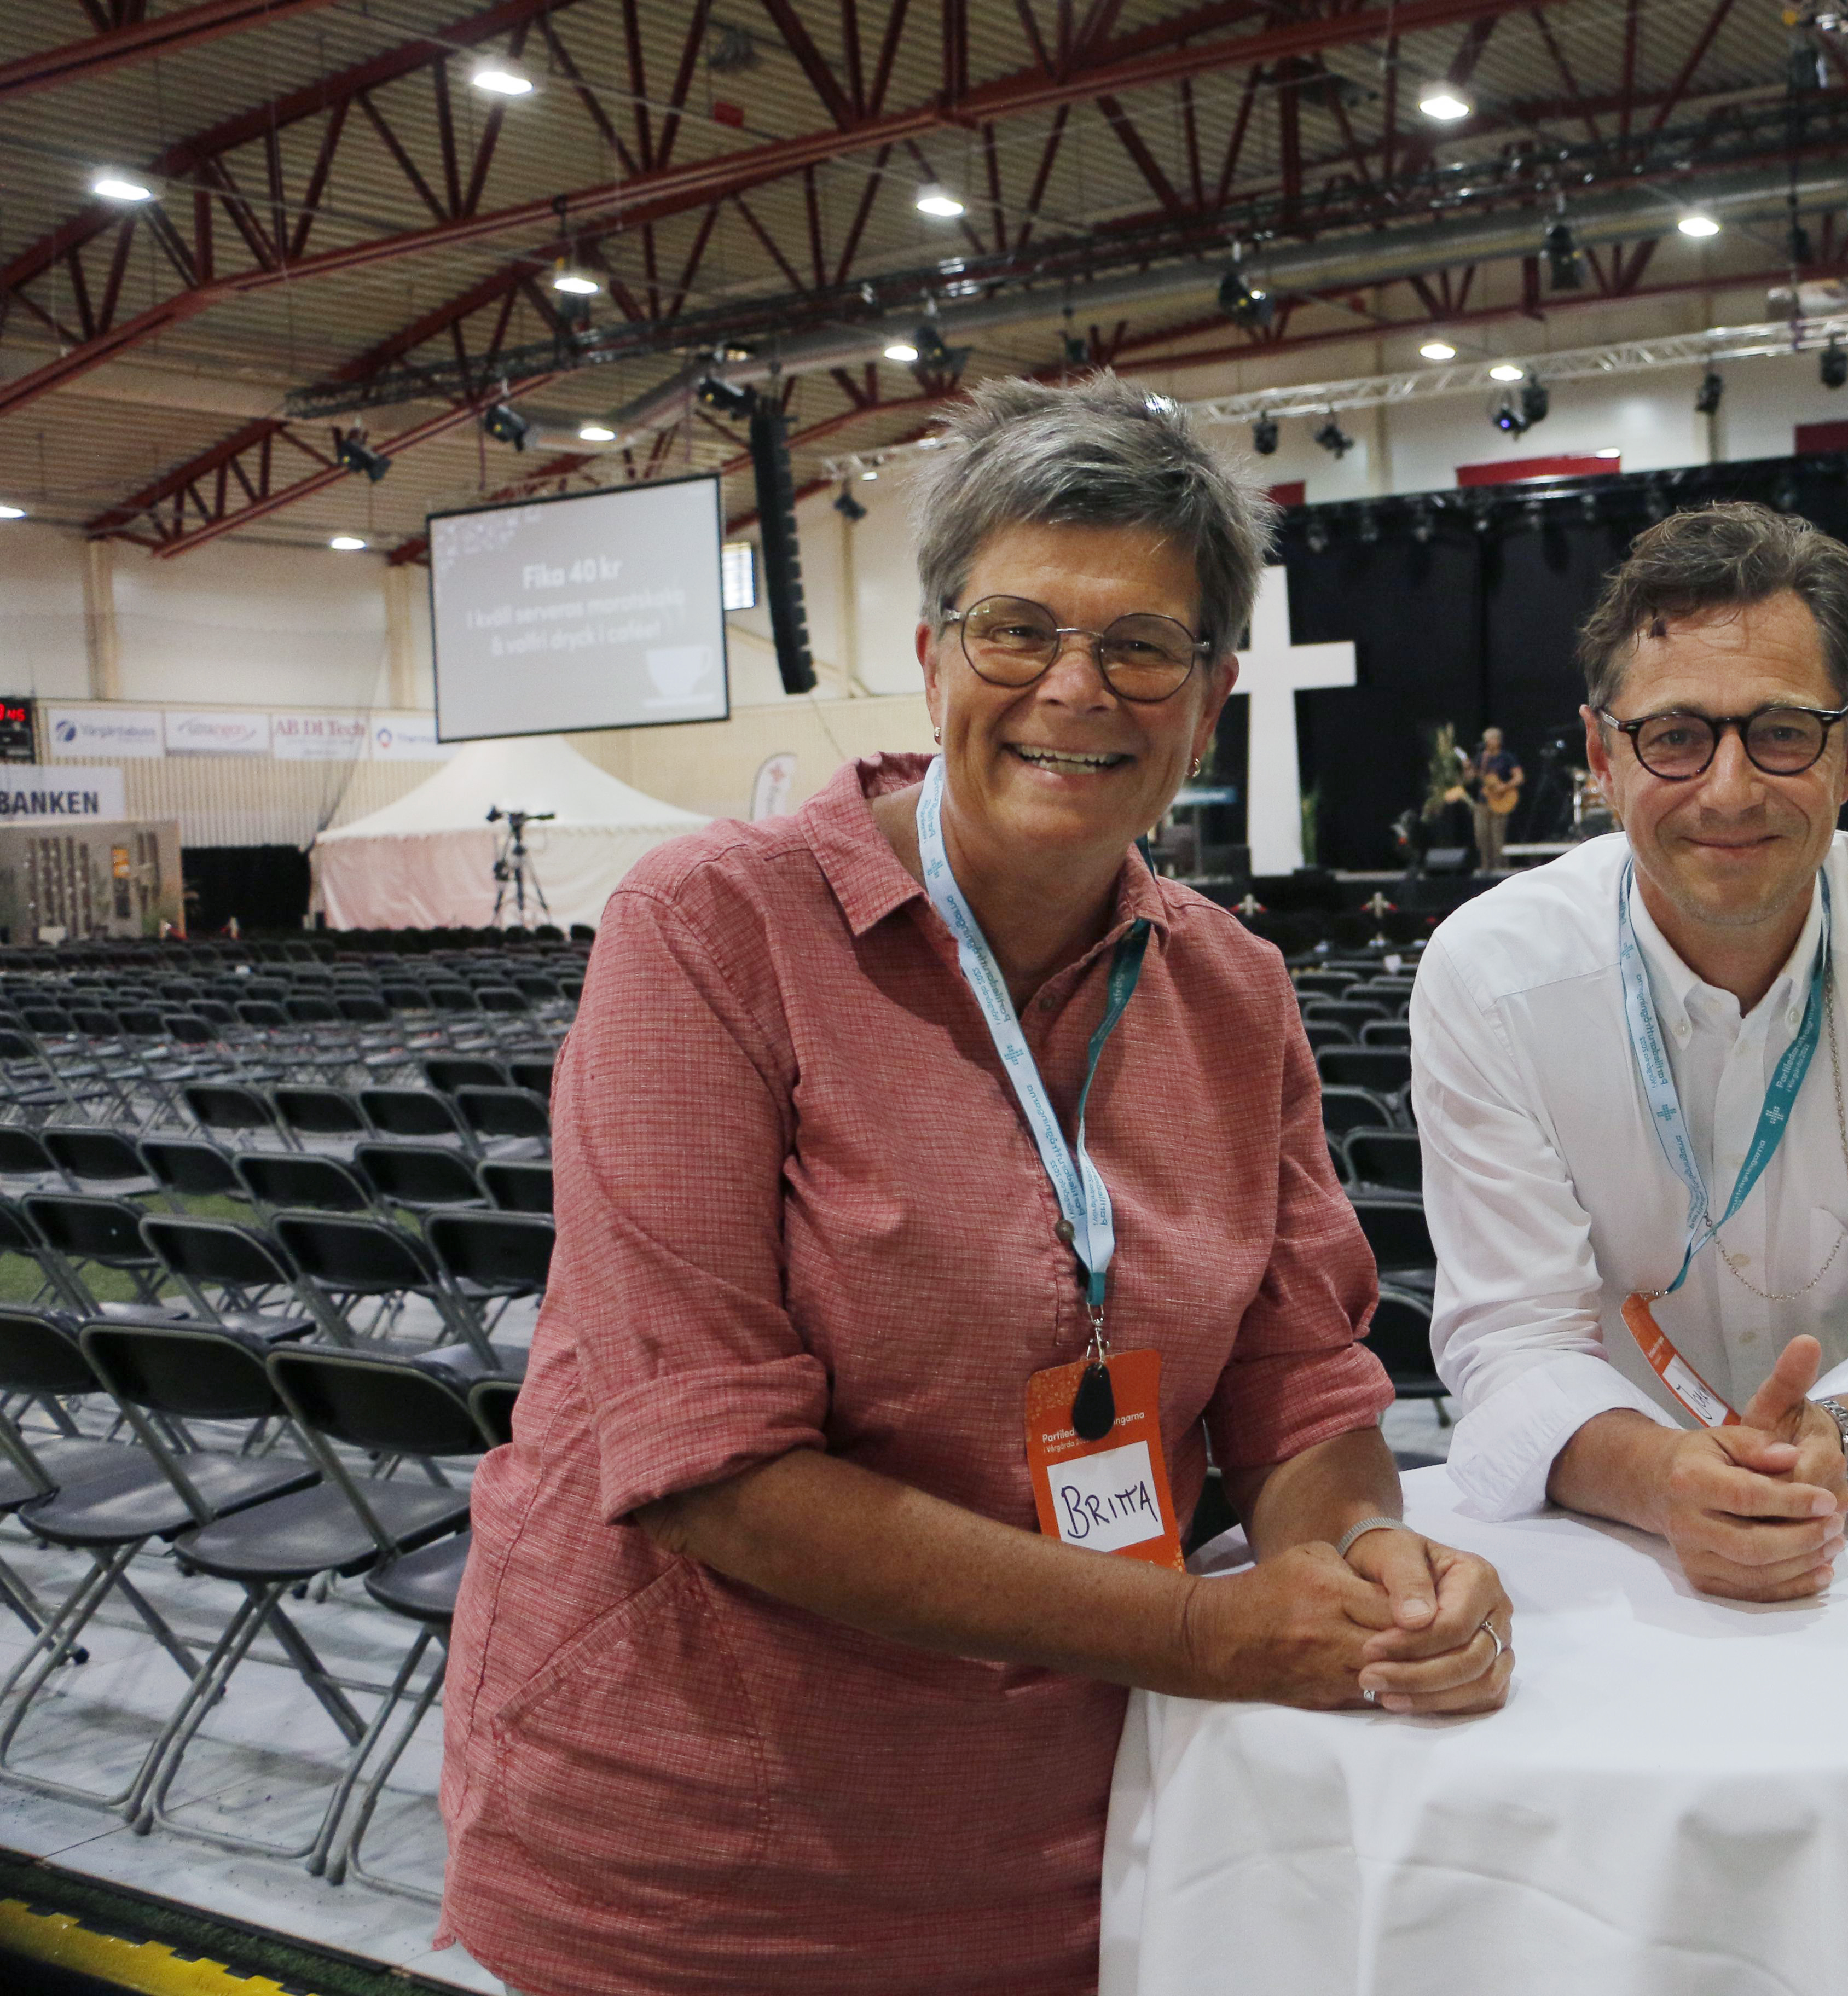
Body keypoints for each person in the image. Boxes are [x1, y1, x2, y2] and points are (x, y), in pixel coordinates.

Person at [439, 374, 1511, 1996]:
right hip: (717, 1854)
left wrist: (1359, 1562)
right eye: (1019, 628)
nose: (1074, 689)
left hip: (1099, 1826)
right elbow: (708, 1465)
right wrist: (1211, 1635)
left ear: (1207, 696)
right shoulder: (715, 930)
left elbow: (1302, 1385)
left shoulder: (1232, 989)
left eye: (1141, 645)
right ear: (936, 654)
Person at [1410, 503, 1848, 1602]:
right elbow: (1513, 1342)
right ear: (1605, 760)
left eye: (1782, 731)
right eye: (1674, 737)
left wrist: (1828, 1459)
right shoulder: (1490, 976)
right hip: (1606, 1550)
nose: (1729, 789)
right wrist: (1665, 1480)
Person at [1468, 726, 1524, 873]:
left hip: (1500, 802)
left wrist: (1504, 787)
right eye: (1486, 739)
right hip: (1483, 803)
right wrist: (1468, 769)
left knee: (1498, 838)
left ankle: (1501, 870)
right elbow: (1470, 778)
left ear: (1498, 741)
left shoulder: (1507, 758)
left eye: (1491, 739)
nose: (1487, 742)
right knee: (1481, 836)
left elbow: (1519, 778)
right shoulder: (1481, 758)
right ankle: (1486, 868)